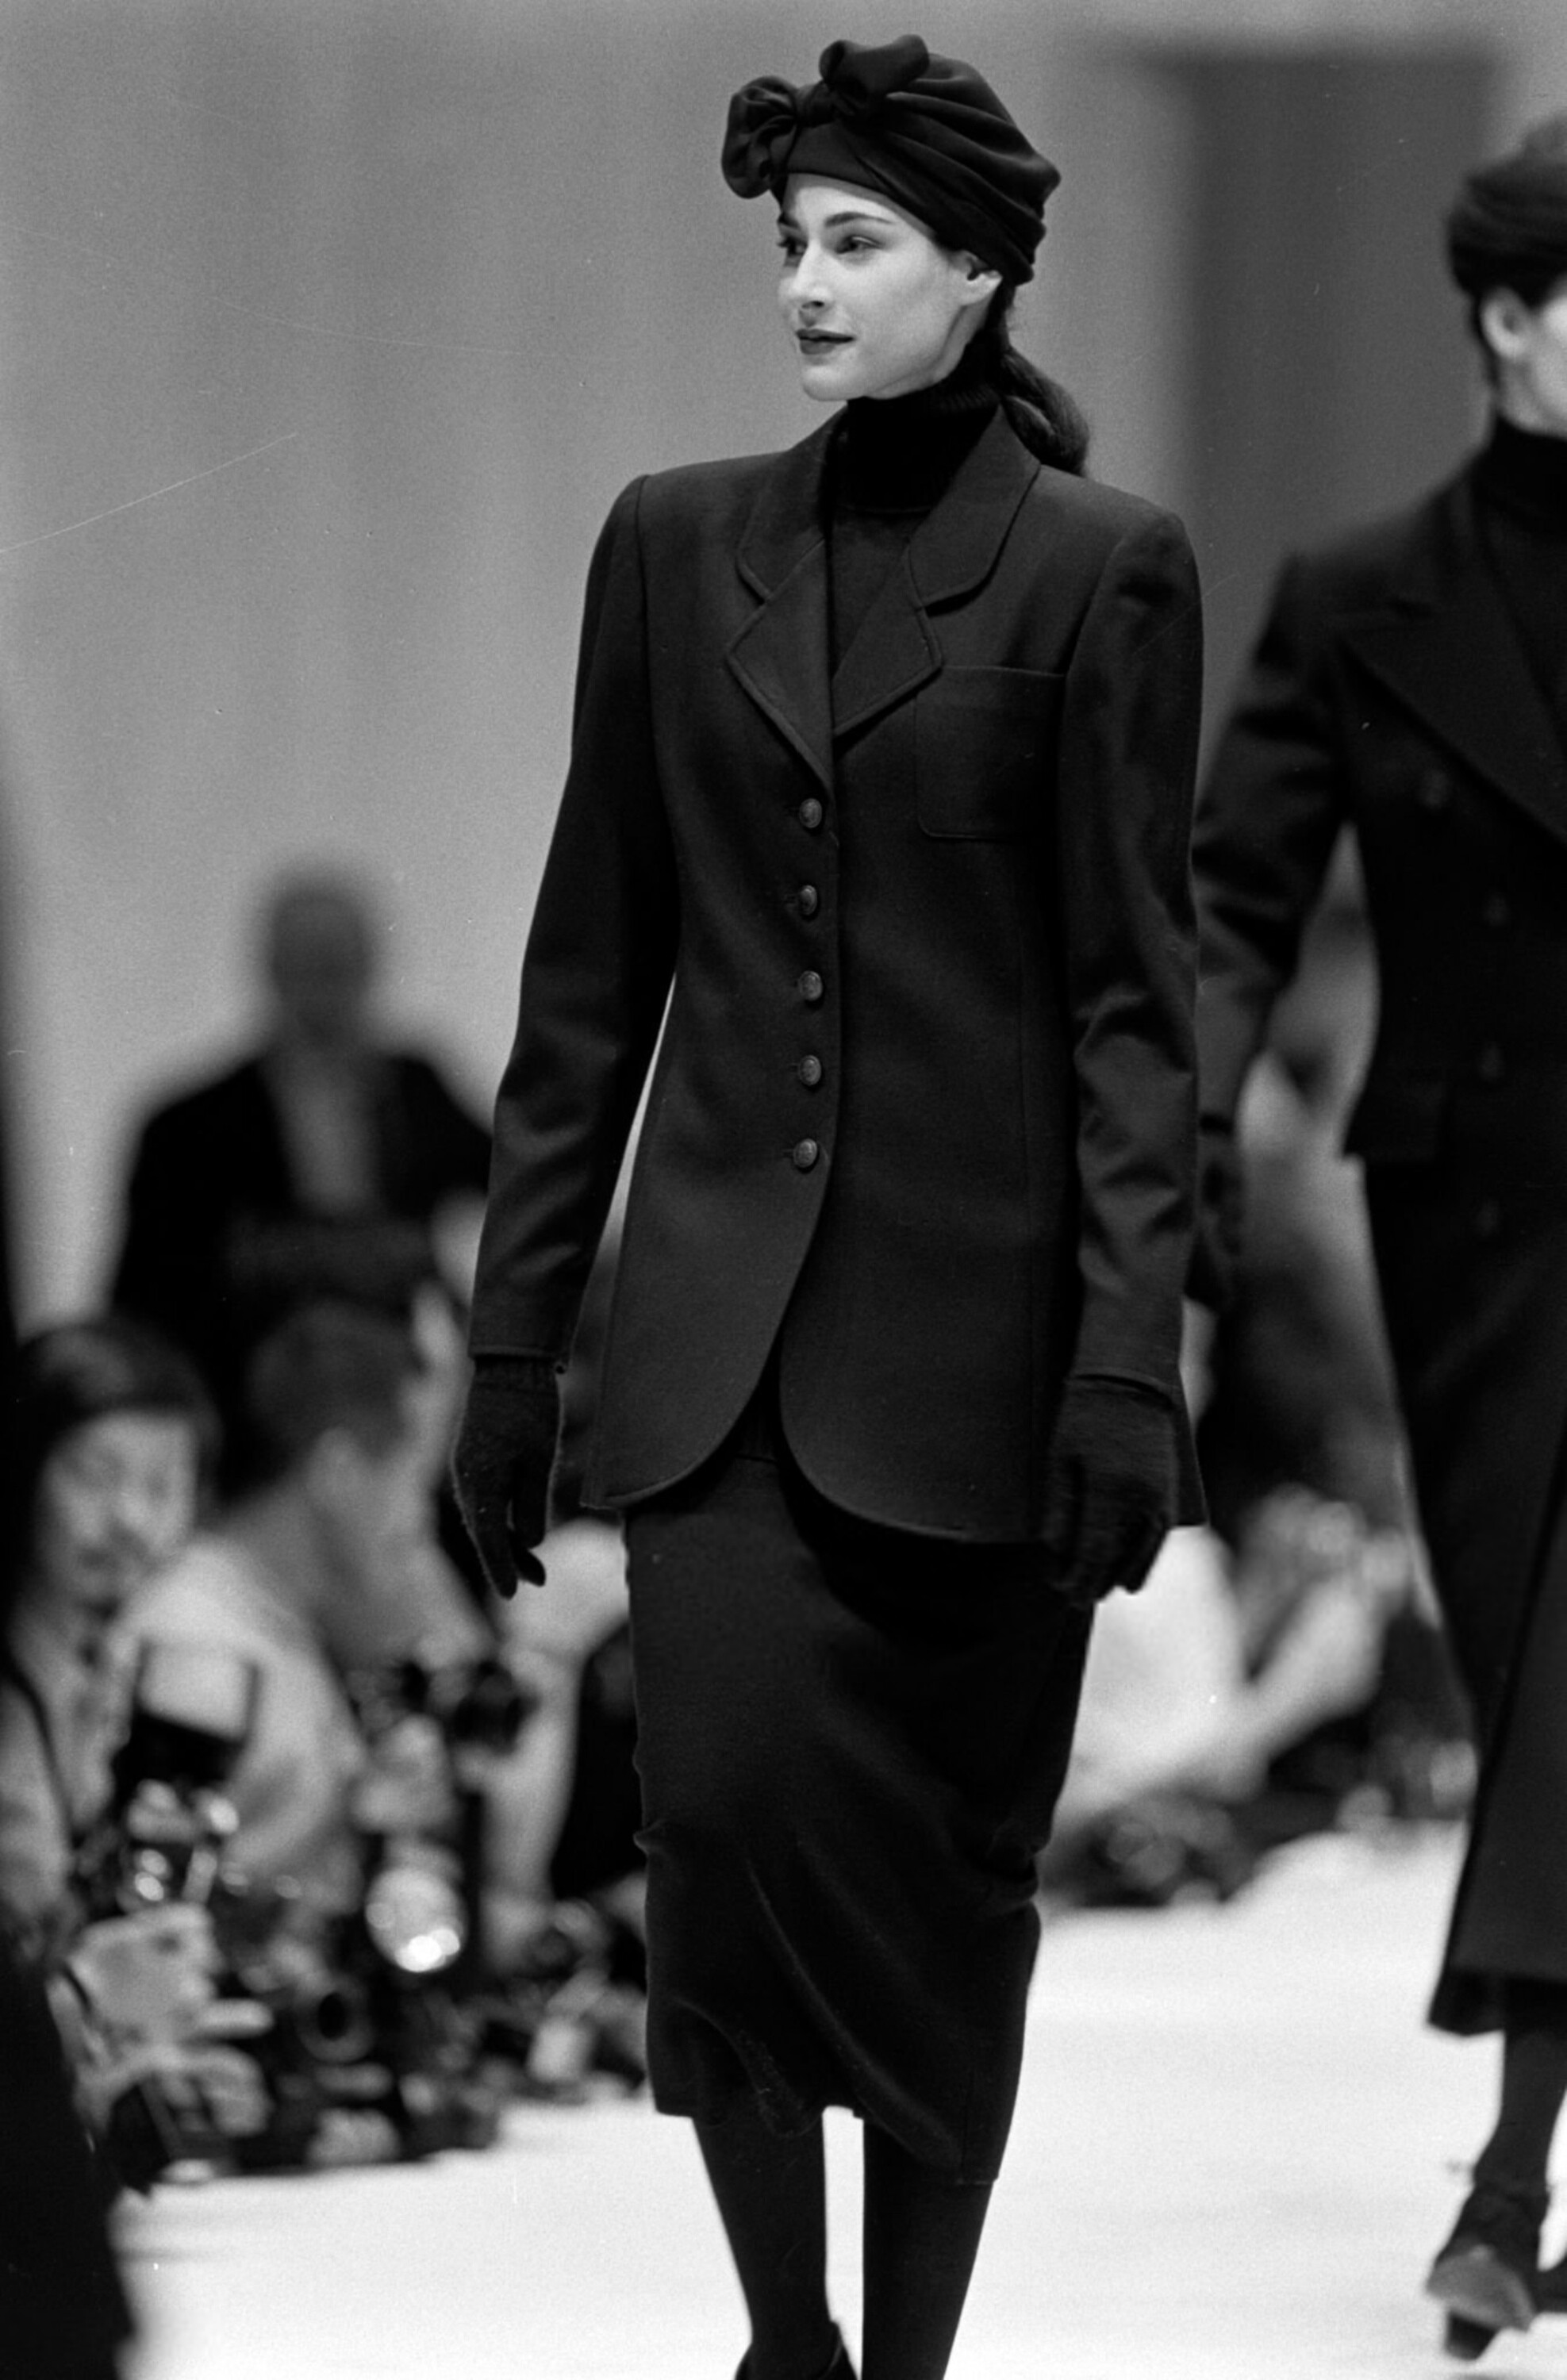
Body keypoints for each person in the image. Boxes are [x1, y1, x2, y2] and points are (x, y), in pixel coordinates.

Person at [451, 36, 1204, 2380]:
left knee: (951, 1892)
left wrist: (1128, 1359)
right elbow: (588, 978)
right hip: (714, 1366)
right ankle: (787, 2342)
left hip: (986, 1374)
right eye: (791, 241)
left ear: (976, 269)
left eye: (856, 242)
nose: (805, 281)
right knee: (723, 1838)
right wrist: (512, 1340)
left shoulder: (1100, 571)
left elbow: (1133, 1013)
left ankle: (902, 2365)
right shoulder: (674, 545)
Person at [1191, 113, 1567, 2361]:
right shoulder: (1358, 593)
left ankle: (1509, 2173)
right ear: (1502, 323)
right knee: (1531, 1649)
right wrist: (1173, 1152)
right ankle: (1511, 2174)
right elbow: (1235, 900)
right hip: (1480, 1217)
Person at [0, 1319, 255, 2378]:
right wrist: (86, 2000)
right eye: (96, 1476)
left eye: (164, 1484)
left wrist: (138, 2060)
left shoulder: (102, 1675)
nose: (131, 1519)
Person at [110, 866, 491, 1426]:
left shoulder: (416, 1088)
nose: (328, 989)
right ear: (272, 972)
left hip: (399, 1377)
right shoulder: (189, 1125)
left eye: (341, 966)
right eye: (309, 967)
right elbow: (146, 1297)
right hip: (256, 1393)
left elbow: (505, 1182)